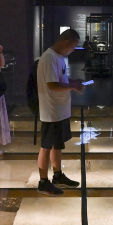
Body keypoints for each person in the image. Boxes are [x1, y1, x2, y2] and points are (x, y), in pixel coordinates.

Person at [35, 28, 86, 195]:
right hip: (51, 110)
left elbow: (60, 80)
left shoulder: (58, 57)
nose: (73, 50)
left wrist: (73, 82)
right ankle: (43, 182)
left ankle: (57, 175)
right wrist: (73, 86)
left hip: (59, 109)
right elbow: (52, 85)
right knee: (46, 146)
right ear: (65, 42)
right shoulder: (49, 57)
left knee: (57, 145)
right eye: (73, 46)